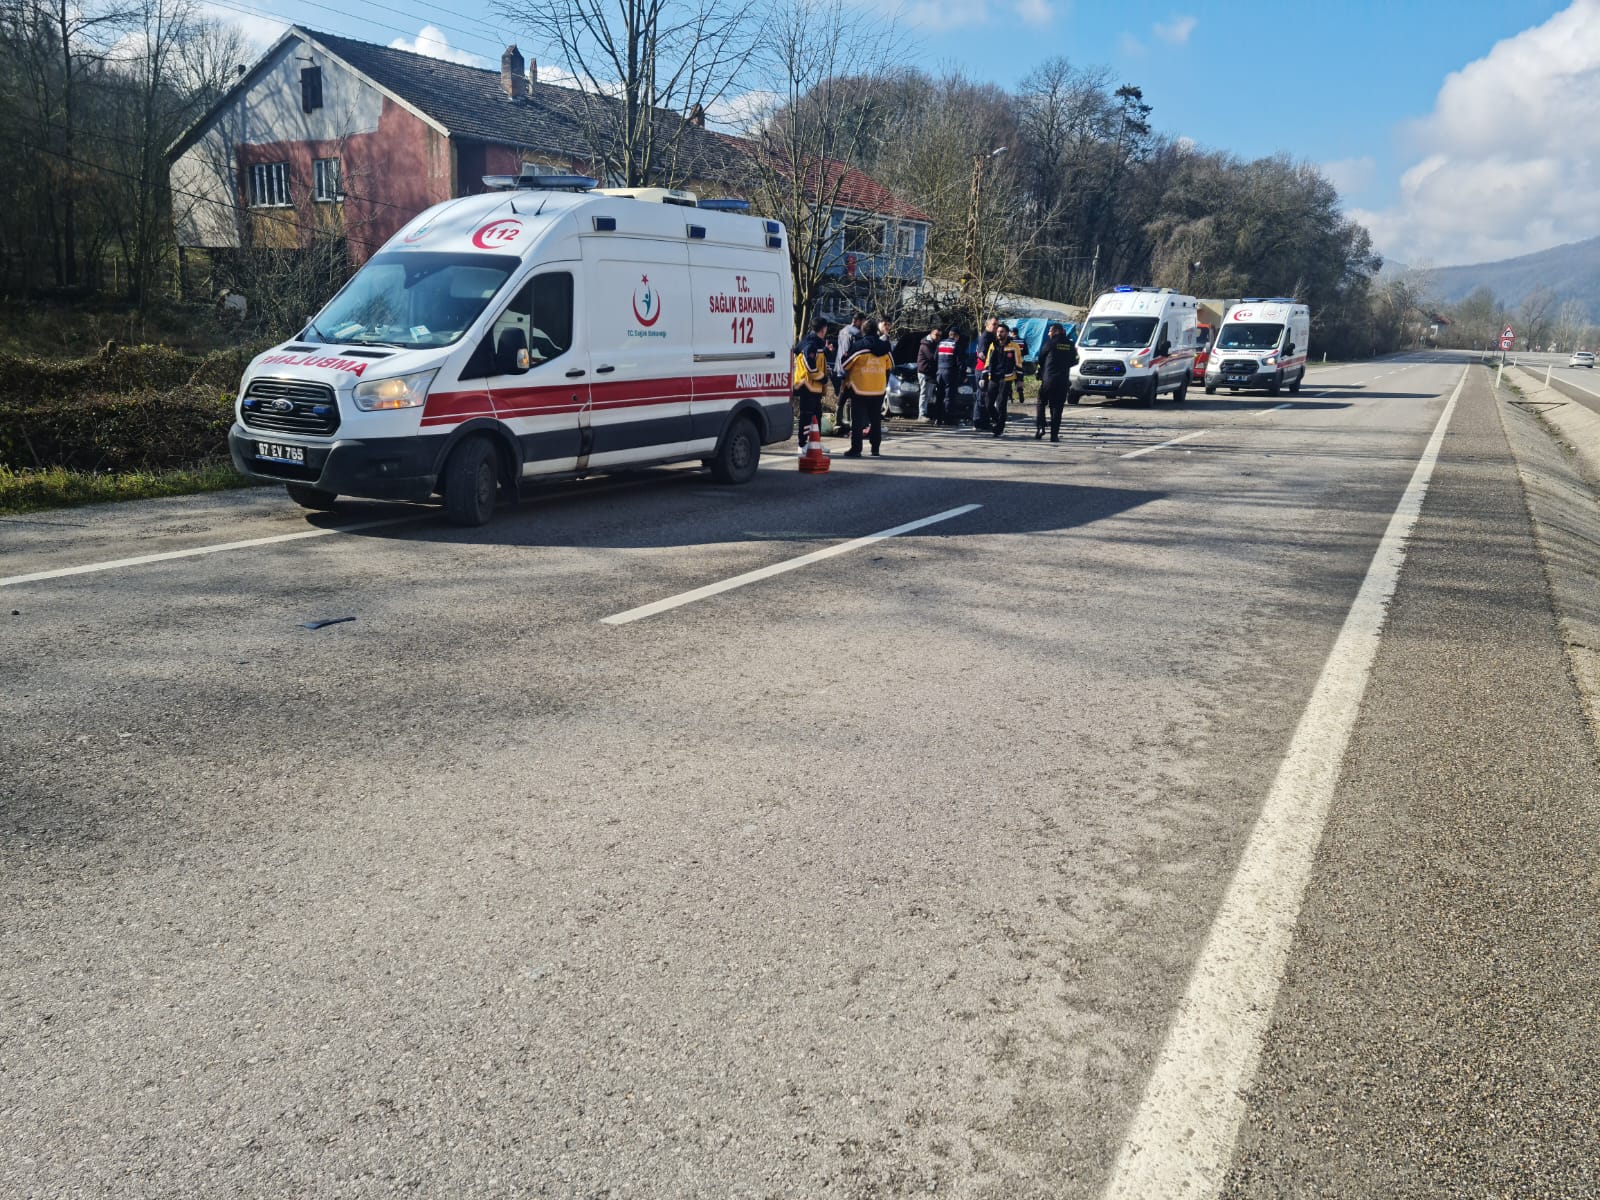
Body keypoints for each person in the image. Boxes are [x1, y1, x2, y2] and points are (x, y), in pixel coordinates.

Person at [840, 318, 894, 457]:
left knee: (857, 421)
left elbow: (845, 364)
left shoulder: (858, 346)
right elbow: (890, 365)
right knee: (875, 420)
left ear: (863, 331)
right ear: (876, 330)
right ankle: (875, 449)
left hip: (860, 388)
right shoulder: (885, 347)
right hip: (878, 389)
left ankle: (856, 449)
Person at [1034, 322, 1078, 442]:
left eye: (1050, 331)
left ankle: (1040, 426)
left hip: (1048, 379)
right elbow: (1076, 360)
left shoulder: (1050, 343)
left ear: (1055, 332)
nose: (1048, 333)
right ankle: (1054, 435)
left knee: (1041, 402)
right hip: (1063, 380)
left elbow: (1040, 358)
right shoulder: (1070, 344)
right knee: (1057, 408)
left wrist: (1040, 371)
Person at [793, 317, 829, 446]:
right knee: (806, 416)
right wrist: (823, 378)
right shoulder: (811, 344)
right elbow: (810, 368)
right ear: (823, 329)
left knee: (816, 415)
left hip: (812, 386)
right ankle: (802, 444)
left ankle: (815, 443)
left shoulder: (813, 342)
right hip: (807, 385)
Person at [833, 311, 866, 436]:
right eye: (863, 321)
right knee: (852, 396)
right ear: (858, 321)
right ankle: (850, 423)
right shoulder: (857, 334)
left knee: (842, 395)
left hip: (840, 368)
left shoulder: (843, 331)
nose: (864, 324)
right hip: (851, 369)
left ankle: (838, 422)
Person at [982, 325, 1014, 436]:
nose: (999, 334)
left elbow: (1019, 363)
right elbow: (987, 361)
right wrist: (983, 376)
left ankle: (999, 428)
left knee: (1001, 404)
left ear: (1007, 333)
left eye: (1002, 332)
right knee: (988, 404)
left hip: (1006, 378)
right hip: (993, 378)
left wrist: (1020, 381)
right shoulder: (992, 345)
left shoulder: (1013, 346)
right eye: (998, 332)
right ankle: (998, 421)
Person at [935, 325, 962, 424]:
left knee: (939, 396)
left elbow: (935, 358)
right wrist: (961, 375)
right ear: (956, 336)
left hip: (939, 372)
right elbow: (959, 362)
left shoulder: (940, 343)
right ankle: (947, 419)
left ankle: (937, 418)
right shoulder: (955, 345)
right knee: (948, 397)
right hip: (950, 373)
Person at [916, 325, 941, 421]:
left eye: (939, 335)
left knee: (928, 393)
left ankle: (925, 412)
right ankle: (921, 414)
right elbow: (932, 357)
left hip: (930, 372)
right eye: (936, 335)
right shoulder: (926, 344)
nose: (938, 337)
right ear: (931, 334)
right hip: (924, 371)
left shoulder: (933, 343)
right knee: (924, 393)